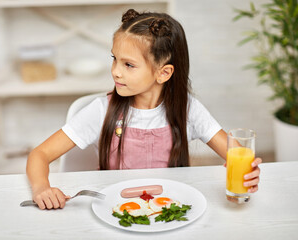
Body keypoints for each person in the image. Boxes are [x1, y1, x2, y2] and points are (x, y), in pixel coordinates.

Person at [26, 9, 261, 210]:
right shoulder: (101, 111)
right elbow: (40, 155)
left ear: (164, 73)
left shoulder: (188, 110)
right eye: (114, 59)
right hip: (116, 209)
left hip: (170, 209)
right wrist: (41, 188)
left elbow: (237, 154)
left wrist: (247, 173)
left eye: (128, 64)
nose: (116, 71)